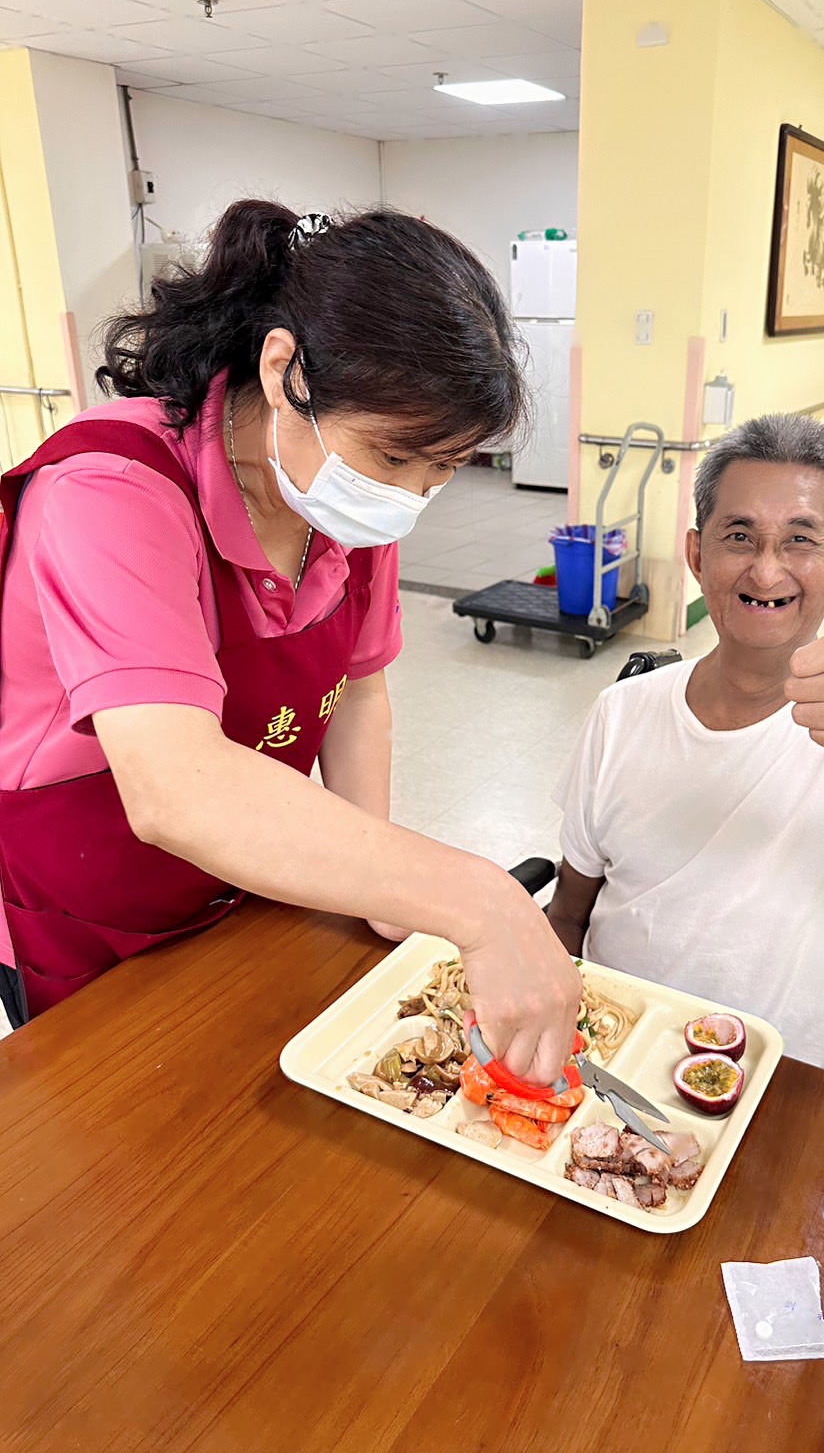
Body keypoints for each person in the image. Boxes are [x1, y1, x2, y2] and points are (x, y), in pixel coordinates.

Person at [0, 200, 580, 1081]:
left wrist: (384, 889)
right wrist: (474, 898)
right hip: (85, 890)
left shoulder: (343, 510)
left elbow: (358, 689)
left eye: (444, 468)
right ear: (282, 369)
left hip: (244, 874)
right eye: (393, 459)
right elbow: (176, 790)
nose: (411, 498)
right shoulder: (113, 491)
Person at [547, 415, 824, 1080]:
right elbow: (571, 909)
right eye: (738, 536)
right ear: (696, 555)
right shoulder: (622, 712)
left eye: (799, 540)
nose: (766, 568)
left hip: (796, 1085)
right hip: (614, 1061)